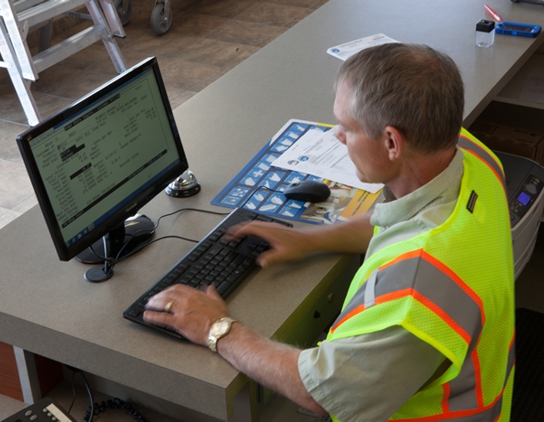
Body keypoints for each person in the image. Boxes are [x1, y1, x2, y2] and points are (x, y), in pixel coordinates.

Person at [144, 43, 515, 421]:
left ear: (391, 142)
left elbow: (320, 391)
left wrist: (216, 328)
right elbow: (401, 224)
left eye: (348, 127)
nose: (337, 135)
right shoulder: (472, 158)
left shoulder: (416, 292)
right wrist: (308, 239)